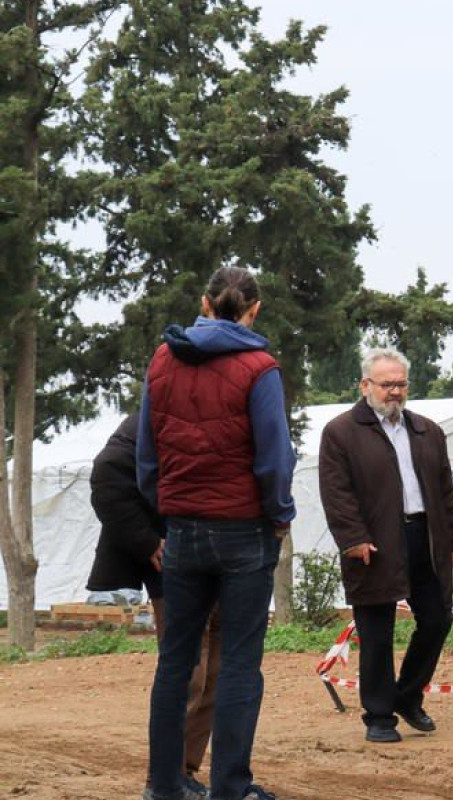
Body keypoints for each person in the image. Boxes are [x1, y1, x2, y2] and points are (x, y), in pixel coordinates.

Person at [138, 266, 296, 800]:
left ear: (204, 303)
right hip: (243, 530)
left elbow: (146, 451)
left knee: (175, 661)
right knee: (238, 664)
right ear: (255, 310)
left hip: (183, 527)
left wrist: (167, 509)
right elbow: (275, 457)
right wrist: (279, 515)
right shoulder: (259, 367)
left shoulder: (163, 359)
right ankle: (231, 787)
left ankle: (164, 785)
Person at [319, 348, 453, 744]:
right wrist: (352, 539)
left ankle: (408, 695)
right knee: (377, 633)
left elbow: (445, 491)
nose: (395, 392)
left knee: (437, 619)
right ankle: (380, 716)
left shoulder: (427, 431)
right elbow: (336, 493)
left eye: (401, 384)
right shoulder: (340, 432)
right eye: (387, 385)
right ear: (365, 386)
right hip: (373, 544)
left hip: (425, 538)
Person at [88, 415, 220, 797]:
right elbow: (108, 478)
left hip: (223, 555)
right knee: (189, 671)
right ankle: (165, 778)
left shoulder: (231, 408)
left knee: (218, 673)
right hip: (175, 562)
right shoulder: (153, 414)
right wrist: (148, 543)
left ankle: (186, 771)